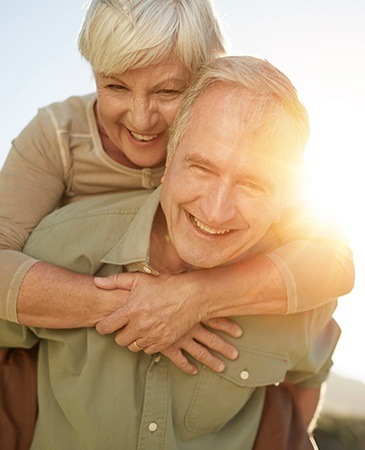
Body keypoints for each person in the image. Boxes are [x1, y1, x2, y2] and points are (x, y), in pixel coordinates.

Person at [0, 55, 340, 450]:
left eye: (252, 184)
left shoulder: (303, 297)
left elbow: (306, 385)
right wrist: (126, 305)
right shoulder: (58, 246)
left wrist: (197, 299)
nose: (216, 210)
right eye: (201, 168)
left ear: (285, 198)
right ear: (168, 162)